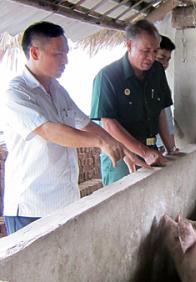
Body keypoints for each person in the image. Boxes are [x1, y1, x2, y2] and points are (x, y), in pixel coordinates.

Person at [0, 21, 142, 235]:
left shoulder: (58, 90)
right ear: (35, 53)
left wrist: (124, 150)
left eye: (66, 53)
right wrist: (101, 142)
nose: (65, 60)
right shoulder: (17, 93)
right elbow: (49, 131)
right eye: (58, 54)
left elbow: (85, 124)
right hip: (31, 206)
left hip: (64, 201)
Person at [90, 20, 176, 186]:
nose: (151, 57)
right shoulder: (108, 77)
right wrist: (142, 152)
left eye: (155, 50)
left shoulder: (157, 72)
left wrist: (170, 149)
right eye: (145, 51)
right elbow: (108, 123)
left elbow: (161, 112)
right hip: (121, 156)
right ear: (129, 46)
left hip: (151, 150)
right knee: (122, 205)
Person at [155, 35, 179, 154]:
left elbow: (165, 115)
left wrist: (171, 147)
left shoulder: (161, 80)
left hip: (160, 147)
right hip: (149, 148)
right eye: (161, 58)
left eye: (168, 60)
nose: (165, 64)